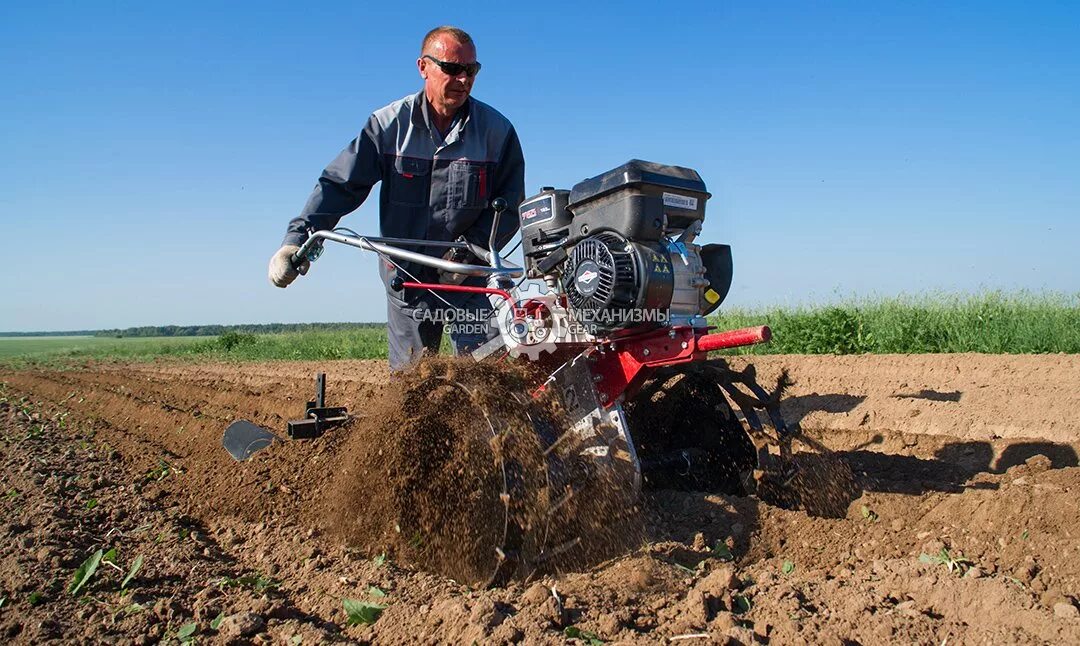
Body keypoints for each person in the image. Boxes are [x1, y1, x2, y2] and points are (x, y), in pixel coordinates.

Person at [268, 26, 525, 370]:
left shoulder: (497, 132)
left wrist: (468, 254)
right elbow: (340, 185)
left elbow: (509, 204)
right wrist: (295, 239)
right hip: (408, 277)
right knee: (413, 386)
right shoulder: (388, 126)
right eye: (452, 69)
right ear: (423, 67)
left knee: (488, 370)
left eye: (472, 71)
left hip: (468, 275)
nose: (463, 79)